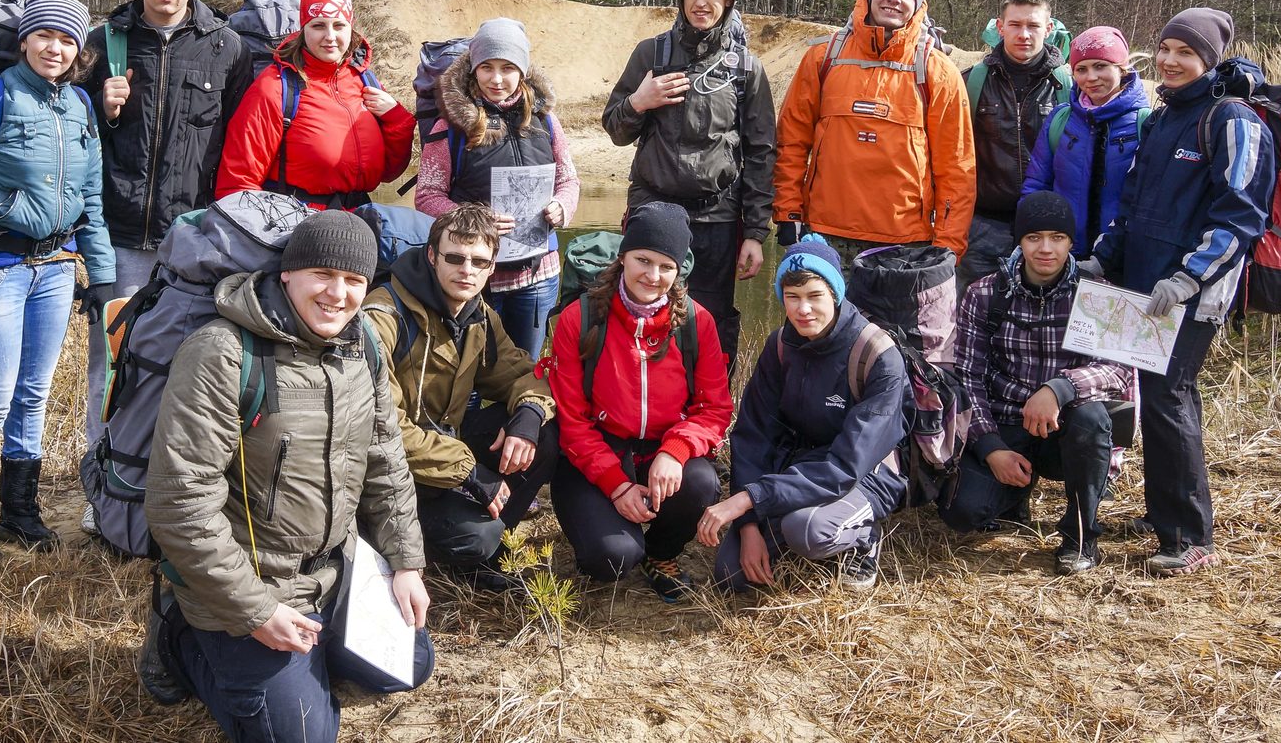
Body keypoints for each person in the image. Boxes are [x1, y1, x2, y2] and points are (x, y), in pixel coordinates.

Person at [141, 210, 432, 741]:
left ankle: (300, 661)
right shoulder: (223, 352)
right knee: (303, 736)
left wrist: (406, 561)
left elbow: (385, 460)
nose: (338, 294)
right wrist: (256, 611)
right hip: (248, 584)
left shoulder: (361, 342)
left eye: (354, 281)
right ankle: (178, 639)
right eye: (322, 274)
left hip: (334, 573)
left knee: (412, 666)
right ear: (287, 275)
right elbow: (180, 504)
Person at [0, 0, 116, 570]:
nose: (55, 48)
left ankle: (19, 510)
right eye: (45, 36)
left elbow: (90, 199)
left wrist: (102, 275)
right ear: (25, 40)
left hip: (56, 270)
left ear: (80, 49)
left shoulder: (80, 108)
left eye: (67, 39)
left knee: (33, 395)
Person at [1085, 8, 1274, 576]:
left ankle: (1190, 535)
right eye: (1164, 49)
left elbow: (1240, 215)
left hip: (1193, 288)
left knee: (1170, 396)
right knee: (1158, 393)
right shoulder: (1161, 119)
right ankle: (1163, 512)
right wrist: (1103, 257)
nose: (1169, 61)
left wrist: (1190, 276)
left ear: (1209, 61)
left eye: (1185, 53)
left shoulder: (1231, 120)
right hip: (1146, 283)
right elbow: (1134, 204)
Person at [78, 0, 254, 534]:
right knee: (113, 362)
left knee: (192, 364)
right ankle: (102, 483)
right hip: (121, 235)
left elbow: (239, 144)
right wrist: (98, 105)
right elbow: (71, 136)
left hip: (193, 243)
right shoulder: (107, 41)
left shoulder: (227, 48)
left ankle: (178, 491)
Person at [363, 204, 560, 589]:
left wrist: (529, 416)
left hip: (442, 454)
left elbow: (523, 374)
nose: (466, 270)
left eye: (478, 261)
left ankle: (496, 542)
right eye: (454, 258)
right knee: (476, 537)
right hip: (388, 474)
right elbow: (378, 426)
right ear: (432, 256)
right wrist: (468, 471)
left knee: (545, 435)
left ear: (492, 266)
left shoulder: (479, 314)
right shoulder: (383, 316)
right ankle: (458, 546)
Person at [700, 236, 909, 593]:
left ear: (836, 295)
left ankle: (863, 538)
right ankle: (786, 528)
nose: (803, 310)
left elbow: (844, 467)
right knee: (732, 575)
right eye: (792, 298)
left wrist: (749, 498)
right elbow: (754, 435)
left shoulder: (877, 355)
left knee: (808, 531)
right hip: (798, 466)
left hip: (862, 473)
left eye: (815, 296)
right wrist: (749, 524)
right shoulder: (780, 344)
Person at [940, 192, 1133, 575]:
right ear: (1019, 241)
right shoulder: (984, 294)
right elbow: (968, 377)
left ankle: (1080, 536)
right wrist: (991, 448)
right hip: (1007, 421)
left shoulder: (1096, 293)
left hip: (1068, 426)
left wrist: (1060, 389)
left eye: (1057, 238)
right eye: (1034, 238)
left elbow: (1119, 369)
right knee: (961, 512)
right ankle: (1013, 494)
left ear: (1071, 243)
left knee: (1093, 420)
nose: (1046, 249)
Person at [547, 203, 733, 601]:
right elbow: (573, 421)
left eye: (666, 266)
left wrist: (677, 449)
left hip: (661, 450)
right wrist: (616, 486)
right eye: (643, 260)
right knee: (612, 559)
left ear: (680, 269)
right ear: (623, 257)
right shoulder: (578, 319)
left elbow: (715, 409)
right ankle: (610, 537)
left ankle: (661, 553)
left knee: (701, 481)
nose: (653, 276)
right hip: (597, 453)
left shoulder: (697, 323)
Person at [601, 0, 775, 371]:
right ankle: (639, 413)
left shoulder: (746, 69)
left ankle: (708, 421)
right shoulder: (651, 54)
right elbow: (615, 128)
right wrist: (639, 103)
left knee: (710, 325)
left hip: (718, 219)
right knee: (643, 314)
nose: (701, 1)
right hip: (654, 210)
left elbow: (762, 153)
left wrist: (754, 232)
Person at [773, 0, 975, 271]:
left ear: (918, 4)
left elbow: (957, 168)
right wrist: (788, 214)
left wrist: (949, 244)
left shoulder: (937, 71)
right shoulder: (822, 58)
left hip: (905, 244)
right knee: (818, 321)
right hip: (824, 236)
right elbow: (791, 144)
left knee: (891, 324)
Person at [414, 18, 579, 358]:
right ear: (474, 69)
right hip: (473, 277)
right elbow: (427, 196)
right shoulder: (451, 125)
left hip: (539, 276)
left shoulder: (546, 119)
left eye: (508, 67)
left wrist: (563, 207)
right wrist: (475, 220)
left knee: (525, 371)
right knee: (468, 376)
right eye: (487, 67)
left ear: (522, 70)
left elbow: (568, 180)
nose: (497, 78)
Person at [215, 0, 414, 209]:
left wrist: (397, 119)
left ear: (351, 27)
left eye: (339, 25)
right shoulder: (276, 86)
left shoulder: (364, 80)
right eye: (318, 26)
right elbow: (238, 181)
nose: (330, 36)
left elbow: (389, 172)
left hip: (359, 223)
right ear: (303, 29)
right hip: (295, 226)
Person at [957, 0, 1070, 289]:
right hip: (981, 226)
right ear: (1000, 27)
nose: (1024, 34)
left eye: (1033, 26)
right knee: (972, 315)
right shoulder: (971, 81)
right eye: (1016, 25)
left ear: (1048, 29)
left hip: (1045, 230)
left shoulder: (1069, 86)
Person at [1022, 26, 1151, 257]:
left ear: (1121, 69)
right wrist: (1030, 237)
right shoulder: (1061, 120)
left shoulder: (1146, 123)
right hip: (1063, 255)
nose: (1091, 77)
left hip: (1122, 257)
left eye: (1101, 66)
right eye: (1081, 69)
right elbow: (1036, 184)